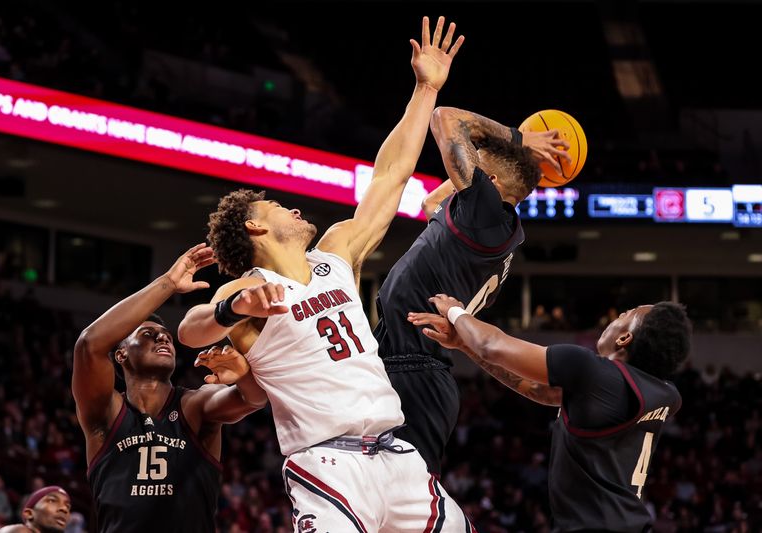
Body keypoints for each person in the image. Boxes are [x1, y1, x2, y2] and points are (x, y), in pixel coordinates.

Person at [179, 17, 475, 532]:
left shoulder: (336, 253)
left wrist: (425, 89)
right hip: (328, 465)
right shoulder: (247, 289)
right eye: (276, 206)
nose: (292, 210)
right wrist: (232, 309)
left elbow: (390, 176)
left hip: (397, 454)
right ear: (254, 226)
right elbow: (191, 331)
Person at [373, 104, 570, 475]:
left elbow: (445, 118)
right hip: (404, 365)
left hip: (415, 374)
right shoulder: (489, 231)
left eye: (478, 166)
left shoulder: (486, 216)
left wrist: (519, 137)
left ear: (490, 185)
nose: (469, 164)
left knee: (404, 507)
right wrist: (501, 159)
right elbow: (432, 203)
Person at [409, 296, 691, 532]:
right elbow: (537, 390)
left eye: (624, 316)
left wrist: (457, 312)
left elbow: (491, 344)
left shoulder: (591, 371)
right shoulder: (664, 392)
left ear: (625, 338)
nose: (614, 317)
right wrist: (463, 343)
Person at [72, 243, 267, 533]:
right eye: (148, 334)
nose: (163, 339)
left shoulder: (193, 405)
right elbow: (89, 345)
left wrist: (243, 375)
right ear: (121, 354)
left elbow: (253, 399)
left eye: (166, 336)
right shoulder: (107, 412)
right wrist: (168, 284)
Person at [0, 486, 70, 533]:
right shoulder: (20, 531)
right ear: (29, 513)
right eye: (52, 501)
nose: (64, 509)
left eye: (67, 506)